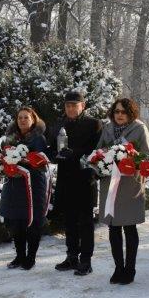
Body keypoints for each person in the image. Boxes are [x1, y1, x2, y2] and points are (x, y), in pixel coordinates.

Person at [96, 98, 149, 284]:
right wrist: (101, 159)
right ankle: (118, 268)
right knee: (113, 227)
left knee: (129, 227)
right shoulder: (107, 128)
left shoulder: (139, 128)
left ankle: (130, 269)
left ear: (130, 113)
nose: (119, 115)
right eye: (117, 111)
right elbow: (99, 151)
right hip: (110, 184)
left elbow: (147, 157)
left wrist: (130, 158)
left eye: (123, 112)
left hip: (130, 185)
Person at [47, 90, 102, 276]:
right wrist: (53, 155)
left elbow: (97, 151)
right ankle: (72, 257)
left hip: (85, 180)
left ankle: (86, 261)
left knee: (85, 223)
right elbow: (50, 146)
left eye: (74, 105)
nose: (70, 108)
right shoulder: (58, 124)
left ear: (83, 106)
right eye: (68, 105)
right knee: (69, 221)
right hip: (65, 179)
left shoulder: (94, 124)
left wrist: (76, 153)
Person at [0, 107, 50, 270]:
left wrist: (22, 161)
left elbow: (41, 161)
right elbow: (3, 157)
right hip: (14, 184)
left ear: (33, 120)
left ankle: (31, 257)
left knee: (32, 220)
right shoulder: (9, 138)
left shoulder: (39, 139)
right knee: (16, 220)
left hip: (33, 184)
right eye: (20, 117)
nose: (22, 120)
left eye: (26, 117)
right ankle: (19, 256)